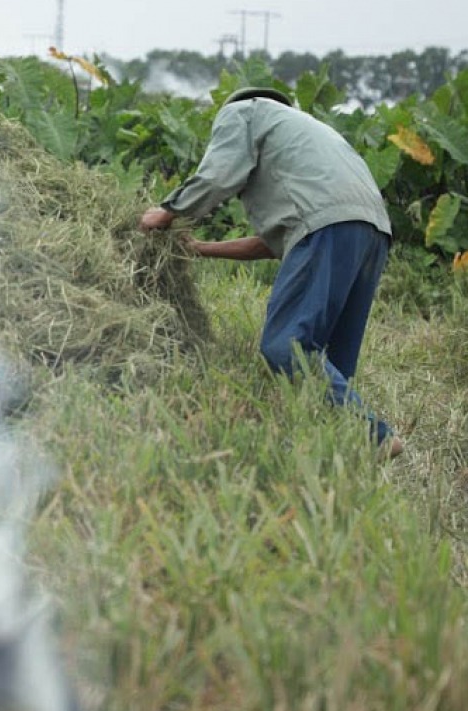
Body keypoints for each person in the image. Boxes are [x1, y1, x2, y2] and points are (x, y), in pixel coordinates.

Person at [140, 86, 403, 457]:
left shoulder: (243, 111)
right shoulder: (312, 139)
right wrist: (201, 249)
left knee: (286, 347)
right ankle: (342, 456)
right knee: (329, 363)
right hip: (372, 233)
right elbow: (274, 243)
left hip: (328, 228)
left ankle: (376, 436)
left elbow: (217, 177)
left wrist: (166, 213)